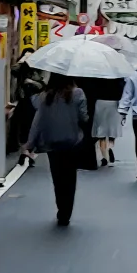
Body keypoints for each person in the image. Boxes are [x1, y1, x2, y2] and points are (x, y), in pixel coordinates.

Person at [23, 73, 90, 225]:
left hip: (52, 141)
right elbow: (84, 117)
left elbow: (38, 121)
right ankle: (67, 211)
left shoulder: (45, 96)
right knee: (70, 178)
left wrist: (30, 145)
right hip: (72, 141)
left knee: (57, 177)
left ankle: (61, 208)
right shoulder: (77, 93)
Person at [86, 72, 124, 167]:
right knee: (112, 129)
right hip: (114, 103)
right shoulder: (118, 78)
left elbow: (92, 90)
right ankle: (109, 147)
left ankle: (104, 156)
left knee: (101, 130)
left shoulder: (98, 76)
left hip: (100, 102)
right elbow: (122, 92)